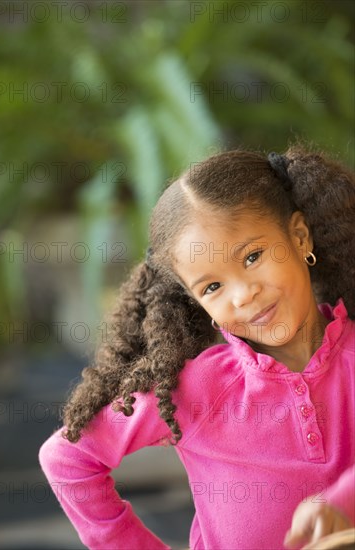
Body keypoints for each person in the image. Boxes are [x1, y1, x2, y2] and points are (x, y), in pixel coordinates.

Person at [39, 145, 355, 550]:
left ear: (298, 236)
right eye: (212, 286)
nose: (242, 295)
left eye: (253, 256)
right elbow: (67, 459)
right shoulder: (196, 387)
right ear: (197, 302)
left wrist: (342, 502)